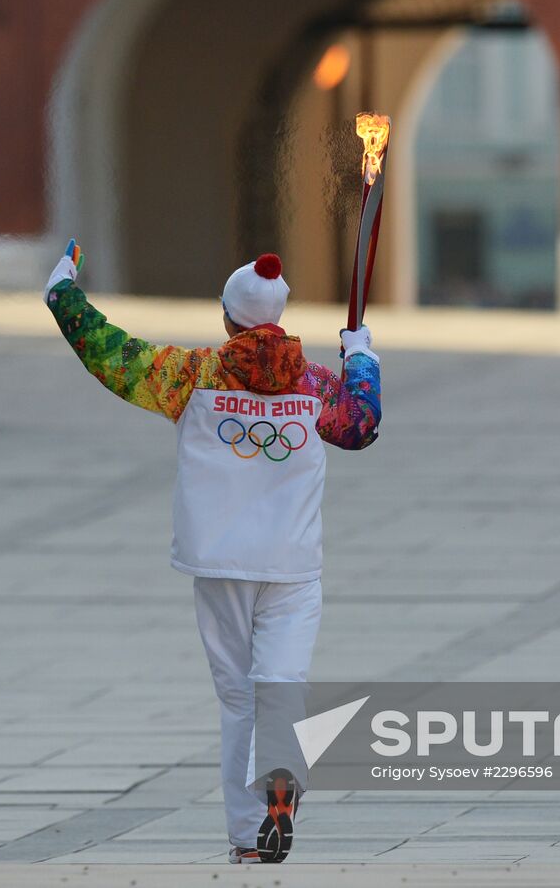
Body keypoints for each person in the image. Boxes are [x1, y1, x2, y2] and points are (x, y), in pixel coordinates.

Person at [43, 243, 381, 864]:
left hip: (220, 559)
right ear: (279, 318)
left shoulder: (191, 375)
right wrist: (360, 356)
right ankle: (280, 777)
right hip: (292, 563)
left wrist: (63, 293)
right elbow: (360, 424)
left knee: (237, 699)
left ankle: (250, 835)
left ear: (228, 319)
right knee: (281, 685)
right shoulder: (312, 385)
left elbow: (110, 354)